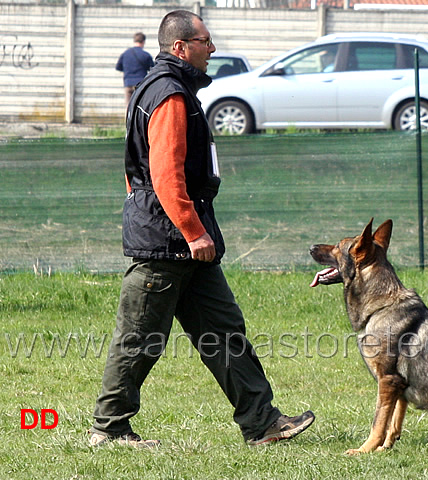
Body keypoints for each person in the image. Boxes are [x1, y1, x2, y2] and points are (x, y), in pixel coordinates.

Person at [89, 10, 314, 448]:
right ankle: (109, 428)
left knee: (225, 330)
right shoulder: (169, 94)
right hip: (169, 244)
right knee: (140, 339)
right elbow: (164, 174)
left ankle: (262, 422)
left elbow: (133, 171)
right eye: (205, 41)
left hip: (185, 244)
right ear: (180, 47)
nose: (212, 49)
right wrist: (192, 231)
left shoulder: (154, 89)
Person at [116, 32, 155, 106]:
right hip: (140, 85)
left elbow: (118, 67)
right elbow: (152, 68)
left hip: (128, 83)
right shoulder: (145, 55)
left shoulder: (125, 54)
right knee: (140, 106)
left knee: (128, 107)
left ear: (134, 41)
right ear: (143, 42)